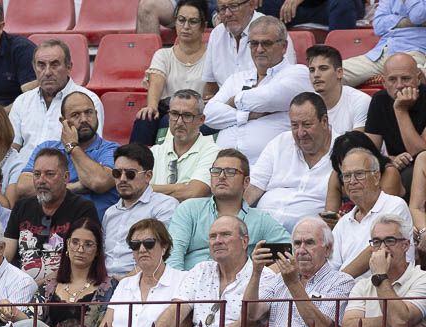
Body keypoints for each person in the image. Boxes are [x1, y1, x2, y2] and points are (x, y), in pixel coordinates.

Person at [203, 16, 311, 165]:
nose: (259, 49)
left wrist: (234, 101)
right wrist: (248, 115)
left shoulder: (298, 73)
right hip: (223, 168)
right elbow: (209, 115)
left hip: (269, 166)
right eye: (254, 43)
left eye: (266, 43)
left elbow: (269, 98)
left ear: (284, 46)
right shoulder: (236, 78)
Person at [166, 149, 290, 271]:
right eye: (216, 171)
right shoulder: (189, 209)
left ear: (246, 182)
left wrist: (262, 277)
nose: (221, 176)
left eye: (230, 172)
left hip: (239, 283)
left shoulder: (260, 220)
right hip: (190, 280)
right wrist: (180, 283)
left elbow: (293, 251)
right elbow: (173, 256)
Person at [245, 93, 333, 235]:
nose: (300, 133)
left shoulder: (343, 151)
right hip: (259, 229)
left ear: (324, 121)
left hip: (305, 238)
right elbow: (254, 187)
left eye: (307, 124)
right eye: (294, 125)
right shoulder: (279, 143)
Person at [4, 147, 97, 281]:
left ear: (66, 177)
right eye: (37, 174)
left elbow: (81, 262)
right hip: (19, 285)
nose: (41, 180)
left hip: (63, 285)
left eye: (49, 174)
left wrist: (35, 286)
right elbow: (6, 254)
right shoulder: (22, 206)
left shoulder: (83, 209)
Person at [22, 92, 119, 219]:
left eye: (88, 112)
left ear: (96, 114)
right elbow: (23, 188)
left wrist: (72, 147)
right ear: (63, 121)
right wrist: (75, 187)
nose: (84, 119)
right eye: (75, 115)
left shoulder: (112, 149)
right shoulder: (47, 148)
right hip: (51, 225)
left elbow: (99, 182)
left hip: (92, 226)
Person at [8, 39, 103, 161]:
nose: (47, 72)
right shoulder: (22, 101)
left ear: (69, 67)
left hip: (67, 170)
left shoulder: (89, 101)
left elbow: (93, 150)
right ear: (34, 68)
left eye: (54, 65)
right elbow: (12, 148)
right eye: (41, 65)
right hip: (23, 170)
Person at [133, 0, 208, 144]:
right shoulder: (163, 55)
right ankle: (134, 157)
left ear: (203, 26)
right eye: (181, 20)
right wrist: (151, 107)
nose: (186, 26)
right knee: (145, 118)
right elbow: (156, 83)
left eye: (193, 22)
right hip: (167, 108)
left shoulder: (212, 55)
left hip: (197, 112)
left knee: (169, 120)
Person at [331, 148, 414, 277]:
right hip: (347, 287)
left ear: (376, 177)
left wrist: (339, 282)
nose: (352, 181)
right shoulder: (343, 222)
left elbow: (379, 248)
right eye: (346, 176)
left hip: (386, 285)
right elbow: (331, 265)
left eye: (359, 174)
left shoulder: (394, 205)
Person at [102, 145, 179, 278]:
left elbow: (162, 254)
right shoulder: (110, 213)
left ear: (148, 176)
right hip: (105, 283)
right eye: (117, 173)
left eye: (130, 174)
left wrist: (125, 281)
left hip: (143, 281)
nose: (122, 179)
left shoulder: (165, 206)